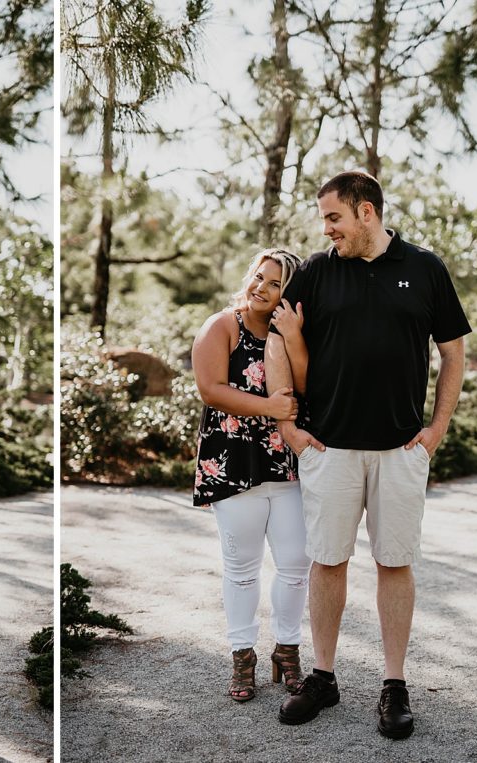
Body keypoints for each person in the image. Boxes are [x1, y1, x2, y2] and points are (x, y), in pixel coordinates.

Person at [267, 171, 470, 740]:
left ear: (367, 212)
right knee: (327, 560)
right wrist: (288, 425)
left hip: (400, 451)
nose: (326, 228)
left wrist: (436, 428)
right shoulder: (315, 271)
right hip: (329, 448)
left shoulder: (425, 268)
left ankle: (394, 686)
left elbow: (453, 353)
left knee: (394, 562)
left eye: (333, 217)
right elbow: (279, 340)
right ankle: (324, 677)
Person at [192, 248, 312, 703]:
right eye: (258, 277)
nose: (260, 287)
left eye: (275, 283)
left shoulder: (293, 331)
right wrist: (268, 407)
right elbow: (210, 389)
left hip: (286, 465)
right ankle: (243, 657)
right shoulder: (223, 325)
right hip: (234, 460)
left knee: (296, 563)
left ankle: (287, 650)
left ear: (289, 293)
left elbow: (306, 384)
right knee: (242, 569)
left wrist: (295, 336)